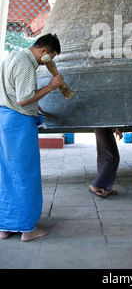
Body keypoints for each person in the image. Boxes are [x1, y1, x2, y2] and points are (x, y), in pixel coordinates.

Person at [0, 33, 64, 242]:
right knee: (25, 173)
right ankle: (28, 228)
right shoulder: (26, 62)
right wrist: (51, 87)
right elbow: (22, 100)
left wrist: (34, 103)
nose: (50, 62)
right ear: (44, 51)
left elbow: (14, 93)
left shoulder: (12, 56)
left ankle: (6, 226)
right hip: (18, 123)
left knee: (6, 174)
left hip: (4, 120)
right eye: (52, 57)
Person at [89, 127, 123, 198]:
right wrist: (118, 127)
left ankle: (107, 187)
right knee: (112, 157)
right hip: (102, 125)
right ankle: (95, 184)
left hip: (103, 126)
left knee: (105, 155)